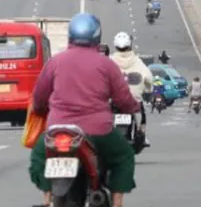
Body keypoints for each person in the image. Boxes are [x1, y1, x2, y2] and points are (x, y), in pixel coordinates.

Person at [29, 13, 138, 207]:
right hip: (97, 131)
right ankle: (117, 202)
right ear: (97, 37)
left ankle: (47, 198)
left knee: (39, 156)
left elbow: (38, 99)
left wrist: (42, 110)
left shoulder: (55, 62)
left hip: (57, 130)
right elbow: (123, 99)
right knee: (124, 156)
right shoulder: (107, 65)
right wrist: (132, 107)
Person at [109, 32, 153, 146]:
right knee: (142, 114)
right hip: (134, 100)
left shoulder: (109, 61)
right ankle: (142, 133)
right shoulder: (137, 61)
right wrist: (148, 91)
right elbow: (148, 78)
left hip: (114, 100)